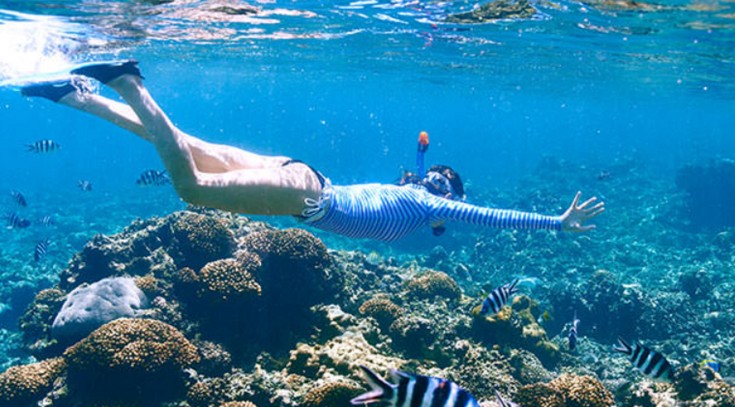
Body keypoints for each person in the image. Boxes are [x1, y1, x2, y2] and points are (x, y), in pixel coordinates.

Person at [20, 60, 604, 242]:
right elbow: (488, 214)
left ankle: (77, 96)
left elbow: (429, 172)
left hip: (298, 172)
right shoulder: (434, 204)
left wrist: (430, 167)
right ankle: (127, 81)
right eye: (448, 191)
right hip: (306, 195)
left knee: (184, 143)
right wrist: (555, 221)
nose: (446, 197)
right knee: (191, 185)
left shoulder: (417, 189)